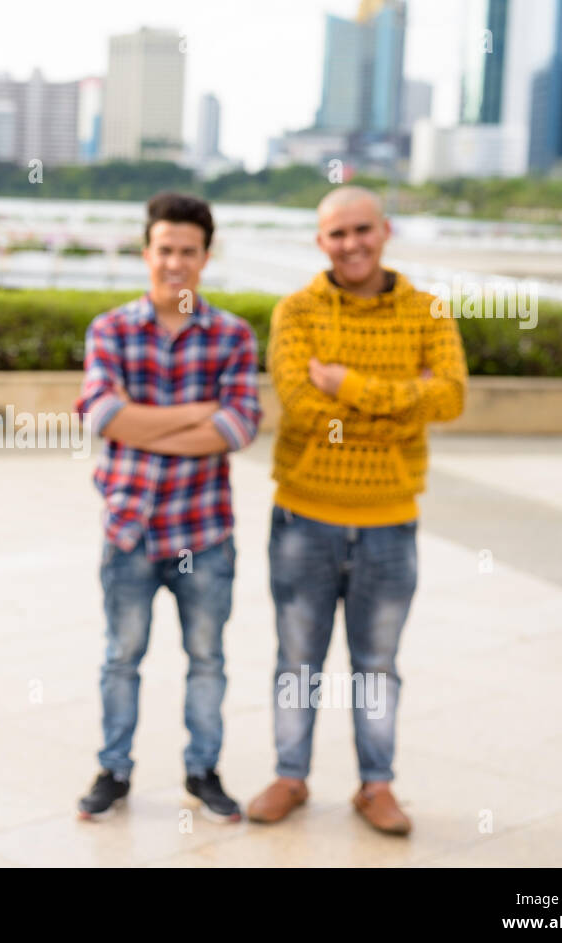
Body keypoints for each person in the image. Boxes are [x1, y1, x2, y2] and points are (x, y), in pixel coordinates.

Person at [245, 185, 467, 835]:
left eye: (362, 229)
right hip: (302, 518)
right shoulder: (297, 311)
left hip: (389, 521)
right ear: (321, 242)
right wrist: (402, 400)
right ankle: (291, 774)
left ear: (386, 230)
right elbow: (303, 407)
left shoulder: (429, 312)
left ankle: (376, 784)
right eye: (338, 234)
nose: (352, 244)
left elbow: (450, 396)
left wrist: (347, 384)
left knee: (377, 664)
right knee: (296, 659)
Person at [73, 192, 261, 823]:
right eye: (164, 250)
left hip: (203, 535)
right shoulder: (112, 328)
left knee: (207, 659)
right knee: (120, 658)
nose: (174, 263)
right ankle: (114, 771)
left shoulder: (234, 335)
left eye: (188, 251)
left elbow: (237, 428)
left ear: (206, 257)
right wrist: (194, 414)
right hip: (129, 528)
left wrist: (140, 423)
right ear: (146, 252)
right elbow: (103, 416)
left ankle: (203, 771)